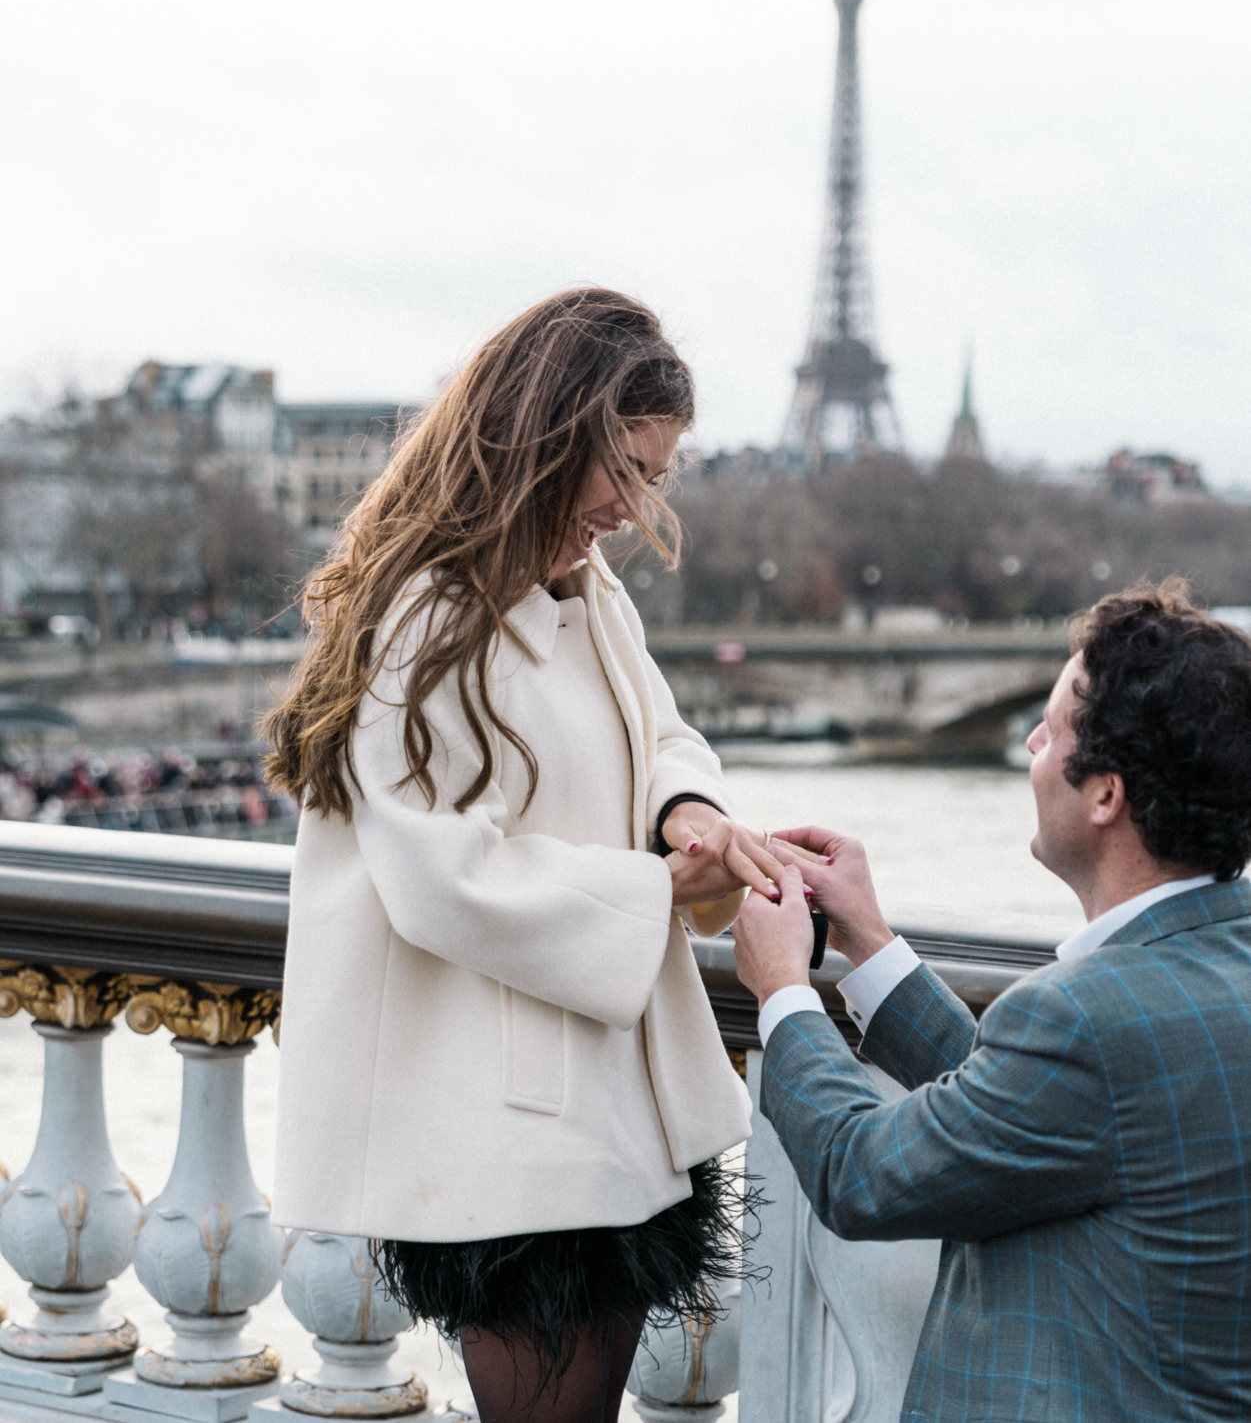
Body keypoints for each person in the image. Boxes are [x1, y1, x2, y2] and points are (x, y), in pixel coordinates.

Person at [265, 290, 783, 1423]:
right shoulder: (425, 619)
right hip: (507, 1126)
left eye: (656, 477)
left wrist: (688, 809)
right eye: (628, 469)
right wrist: (655, 888)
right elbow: (438, 879)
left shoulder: (587, 596)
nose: (636, 506)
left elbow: (661, 738)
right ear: (550, 437)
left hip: (590, 1102)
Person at [733, 580, 1251, 1422]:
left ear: (1105, 796)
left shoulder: (1083, 1022)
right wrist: (868, 941)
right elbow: (1025, 1112)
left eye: (1050, 730)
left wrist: (782, 990)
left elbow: (859, 1173)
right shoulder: (1213, 967)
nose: (1033, 743)